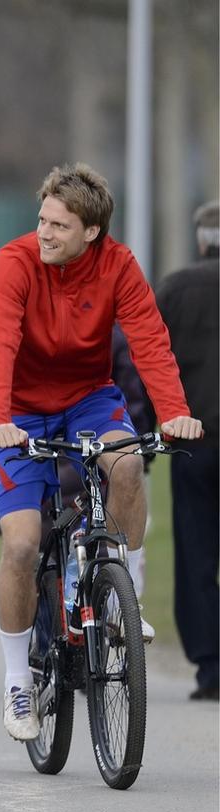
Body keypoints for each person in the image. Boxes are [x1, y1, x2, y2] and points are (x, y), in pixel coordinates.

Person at [0, 163, 203, 741]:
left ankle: (123, 589)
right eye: (42, 220)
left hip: (87, 398)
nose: (45, 233)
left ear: (92, 233)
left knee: (128, 463)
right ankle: (16, 684)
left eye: (59, 225)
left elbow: (150, 338)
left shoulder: (119, 266)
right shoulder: (15, 261)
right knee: (24, 546)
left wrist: (174, 409)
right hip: (20, 410)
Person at [155, 200, 219, 701]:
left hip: (193, 441)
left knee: (196, 555)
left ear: (202, 240)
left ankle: (209, 666)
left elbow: (148, 359)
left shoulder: (176, 288)